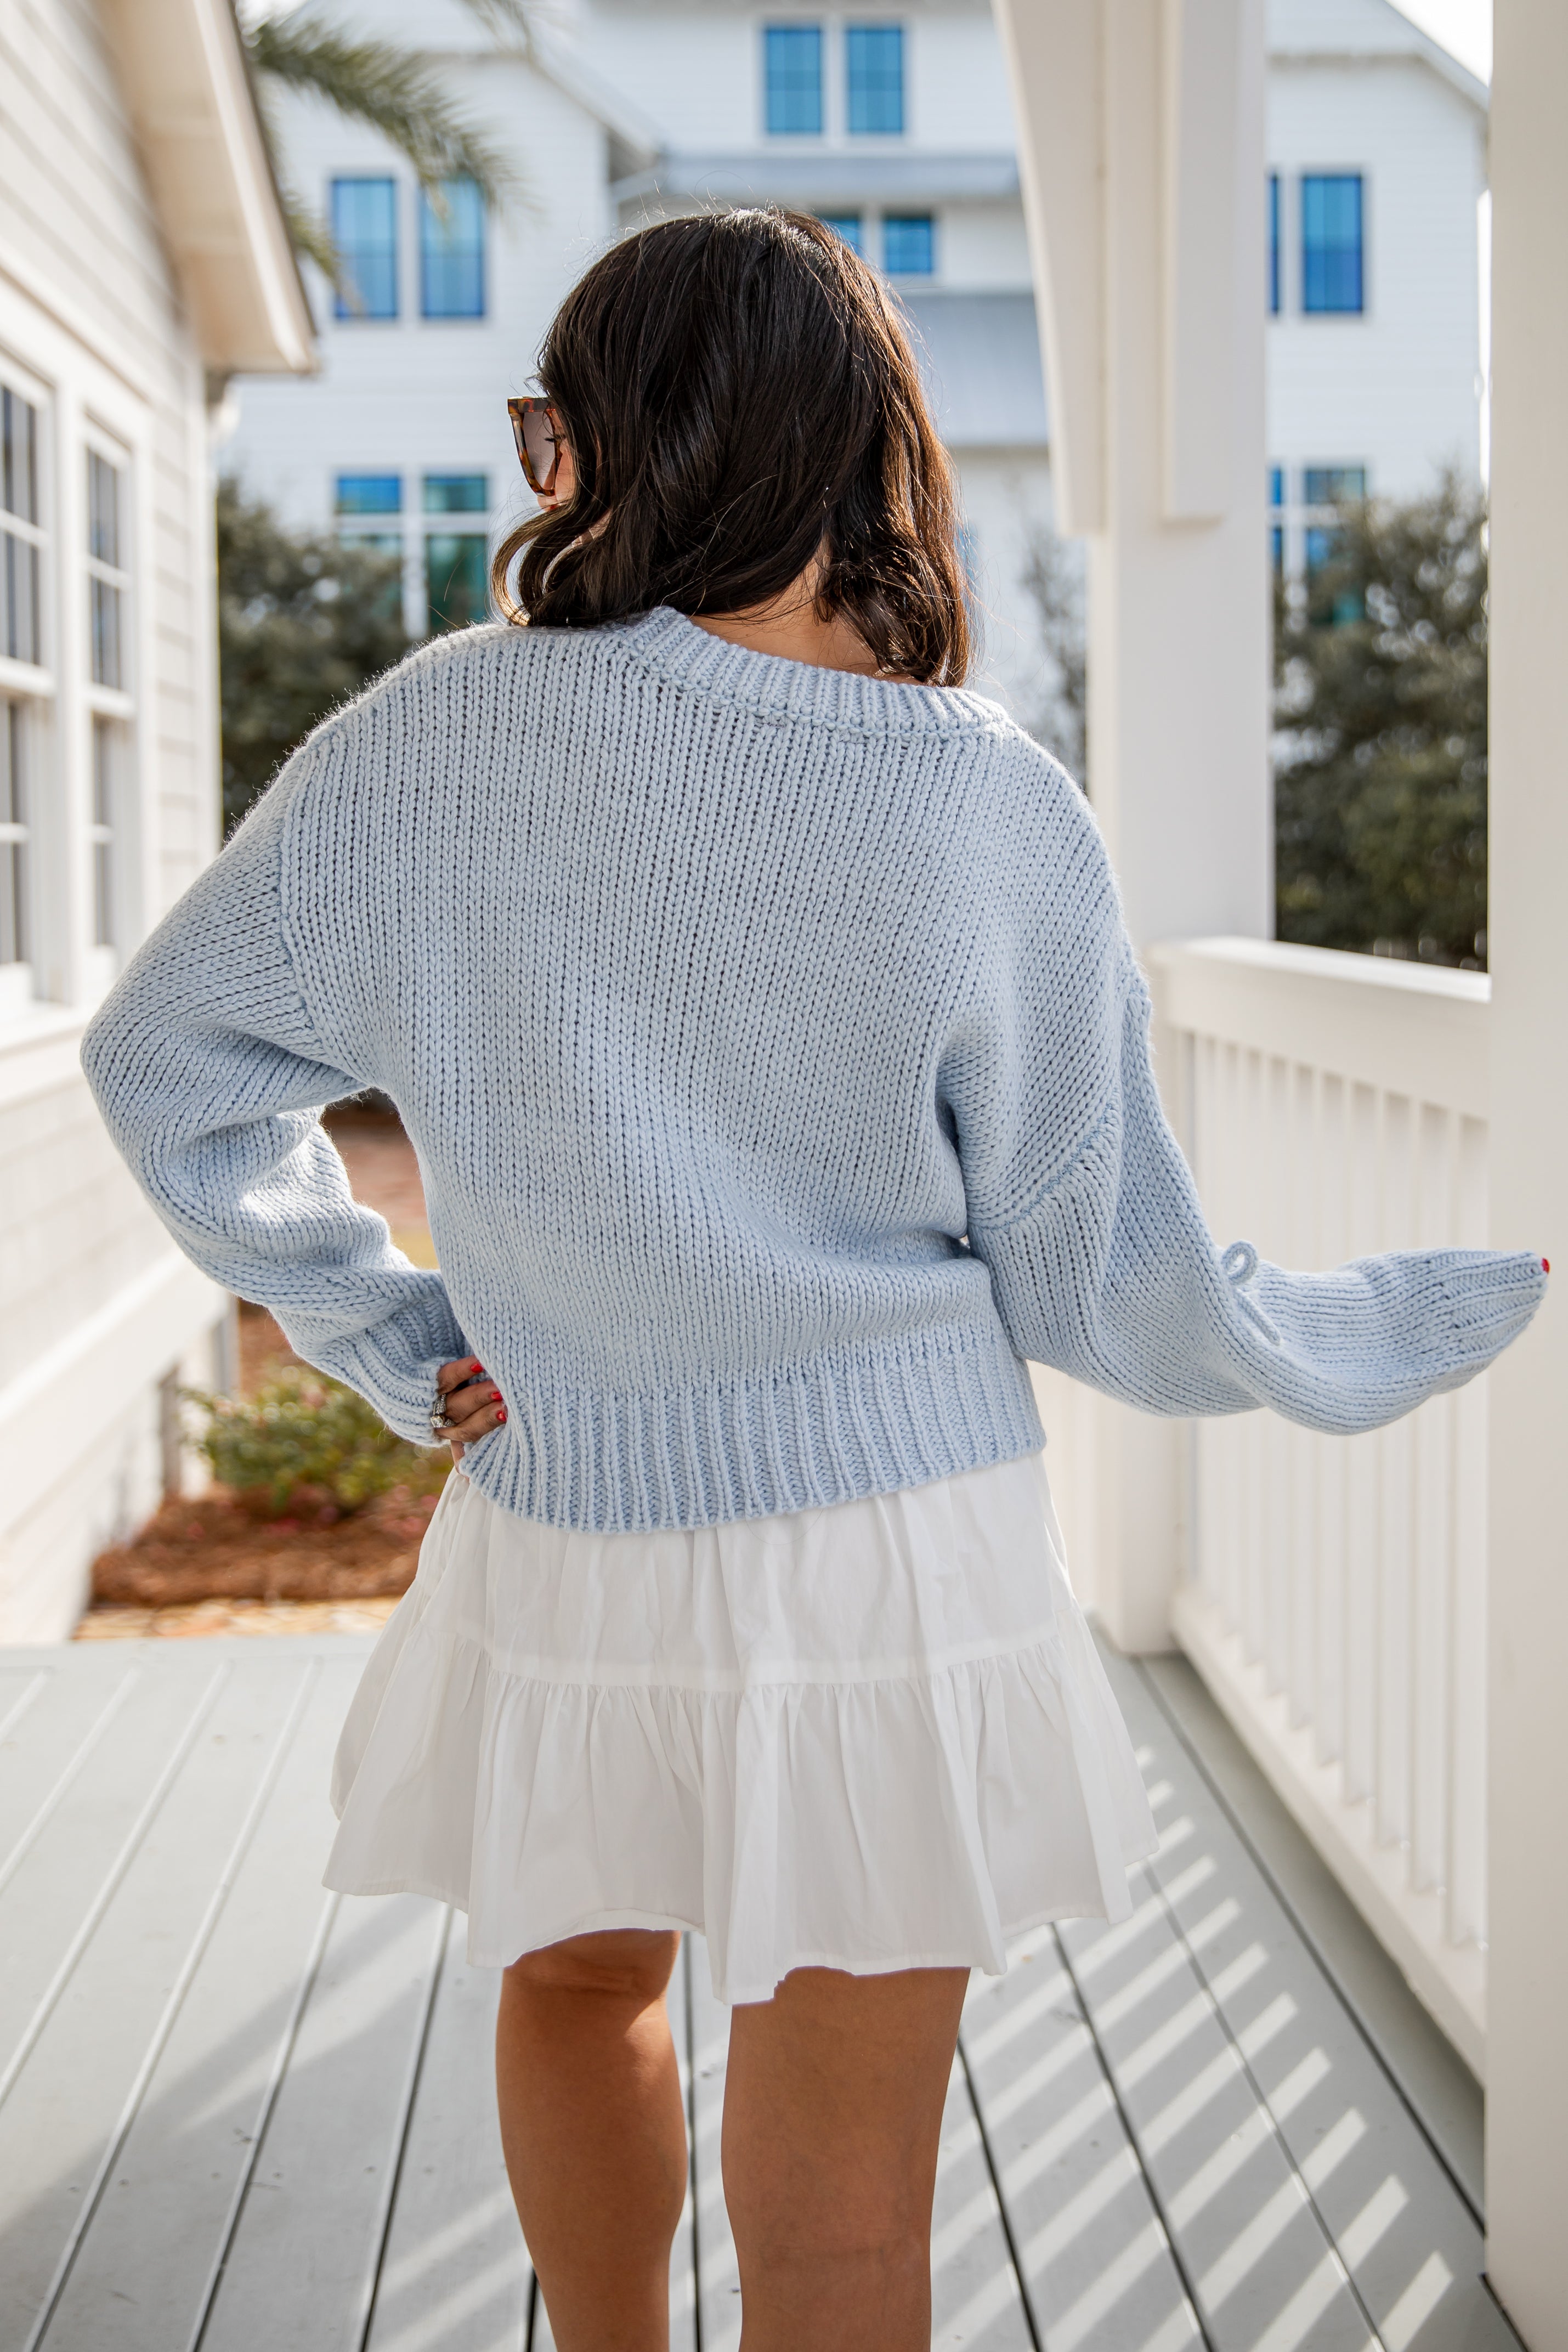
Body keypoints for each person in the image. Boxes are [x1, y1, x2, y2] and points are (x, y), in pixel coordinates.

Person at [82, 210, 1544, 2352]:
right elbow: (1102, 1274)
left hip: (577, 1513)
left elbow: (161, 1065)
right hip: (899, 1552)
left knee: (579, 1992)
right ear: (863, 450)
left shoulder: (426, 746)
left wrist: (396, 1335)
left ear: (608, 446)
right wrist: (1338, 1328)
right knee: (849, 2214)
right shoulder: (985, 805)